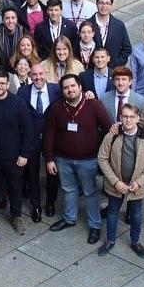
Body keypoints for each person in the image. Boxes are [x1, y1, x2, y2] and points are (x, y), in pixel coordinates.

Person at [44, 74, 111, 244]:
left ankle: (95, 225)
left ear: (80, 87)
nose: (70, 90)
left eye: (73, 86)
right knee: (68, 189)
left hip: (88, 160)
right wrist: (50, 159)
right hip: (63, 159)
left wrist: (104, 155)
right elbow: (49, 135)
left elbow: (109, 128)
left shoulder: (93, 105)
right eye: (66, 87)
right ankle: (69, 218)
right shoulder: (57, 108)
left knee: (90, 192)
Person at [97, 103, 144, 258]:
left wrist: (139, 182)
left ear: (138, 118)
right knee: (112, 213)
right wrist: (115, 182)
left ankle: (135, 241)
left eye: (132, 116)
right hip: (116, 184)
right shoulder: (112, 134)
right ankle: (110, 240)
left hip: (136, 185)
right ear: (120, 118)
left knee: (137, 214)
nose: (128, 120)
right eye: (125, 116)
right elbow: (102, 158)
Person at [0, 71, 33, 235]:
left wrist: (24, 154)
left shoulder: (18, 103)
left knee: (15, 187)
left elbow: (28, 129)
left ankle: (16, 216)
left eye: (2, 83)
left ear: (8, 85)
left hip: (13, 156)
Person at [17, 64, 61, 222]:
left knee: (52, 172)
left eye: (41, 74)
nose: (38, 77)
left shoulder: (56, 89)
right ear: (30, 75)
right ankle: (36, 205)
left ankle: (50, 202)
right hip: (31, 139)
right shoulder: (23, 91)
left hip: (52, 138)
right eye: (34, 74)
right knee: (32, 173)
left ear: (46, 73)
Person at [88, 0, 132, 67]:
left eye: (107, 3)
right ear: (96, 4)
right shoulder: (88, 24)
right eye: (101, 3)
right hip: (92, 69)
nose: (104, 6)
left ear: (111, 6)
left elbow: (127, 48)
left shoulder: (119, 25)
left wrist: (118, 63)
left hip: (113, 70)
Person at [0, 7, 25, 71]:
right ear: (3, 20)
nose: (10, 21)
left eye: (13, 18)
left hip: (22, 70)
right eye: (7, 18)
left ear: (17, 19)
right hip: (2, 72)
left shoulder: (24, 33)